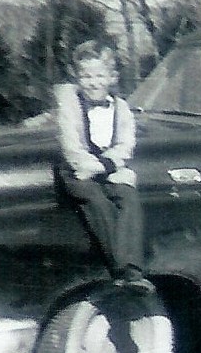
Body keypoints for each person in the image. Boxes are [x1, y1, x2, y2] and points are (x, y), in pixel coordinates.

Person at [54, 40, 153, 295]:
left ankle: (133, 269)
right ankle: (121, 270)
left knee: (128, 196)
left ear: (111, 78)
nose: (93, 83)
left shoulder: (122, 108)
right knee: (96, 200)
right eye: (86, 77)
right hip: (78, 170)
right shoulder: (70, 106)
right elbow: (72, 147)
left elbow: (125, 144)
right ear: (77, 78)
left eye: (99, 76)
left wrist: (107, 165)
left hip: (108, 167)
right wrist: (92, 167)